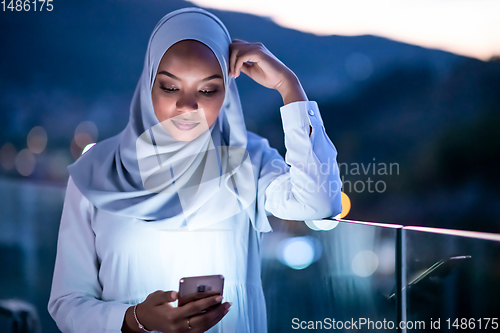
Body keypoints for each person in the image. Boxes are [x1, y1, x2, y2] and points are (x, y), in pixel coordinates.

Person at [47, 7, 342, 333]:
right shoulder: (98, 170)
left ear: (227, 94)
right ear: (148, 85)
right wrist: (137, 319)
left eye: (207, 90)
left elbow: (320, 203)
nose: (187, 106)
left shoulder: (246, 158)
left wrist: (289, 87)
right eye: (170, 87)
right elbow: (67, 302)